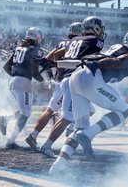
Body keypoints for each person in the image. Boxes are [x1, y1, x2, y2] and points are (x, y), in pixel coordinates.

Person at [50, 28, 128, 174]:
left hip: (76, 78)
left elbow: (85, 61)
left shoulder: (117, 47)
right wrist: (99, 65)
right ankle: (90, 133)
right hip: (92, 76)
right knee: (124, 110)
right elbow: (116, 61)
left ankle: (58, 165)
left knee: (79, 128)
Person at [28, 17, 105, 158]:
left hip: (70, 79)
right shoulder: (92, 40)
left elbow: (56, 53)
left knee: (86, 113)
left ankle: (80, 144)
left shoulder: (73, 41)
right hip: (74, 80)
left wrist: (53, 66)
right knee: (67, 117)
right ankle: (47, 146)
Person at [23, 22, 83, 154]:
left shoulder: (62, 43)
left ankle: (33, 136)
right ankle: (61, 136)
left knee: (51, 110)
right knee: (79, 112)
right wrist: (60, 73)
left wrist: (53, 75)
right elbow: (54, 57)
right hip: (70, 81)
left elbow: (49, 57)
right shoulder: (78, 44)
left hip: (61, 81)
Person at [0, 27, 45, 148]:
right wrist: (43, 80)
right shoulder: (35, 50)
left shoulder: (18, 48)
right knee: (25, 113)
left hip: (13, 81)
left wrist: (16, 76)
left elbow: (5, 67)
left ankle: (6, 119)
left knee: (24, 111)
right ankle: (11, 141)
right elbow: (35, 70)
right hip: (23, 82)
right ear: (38, 37)